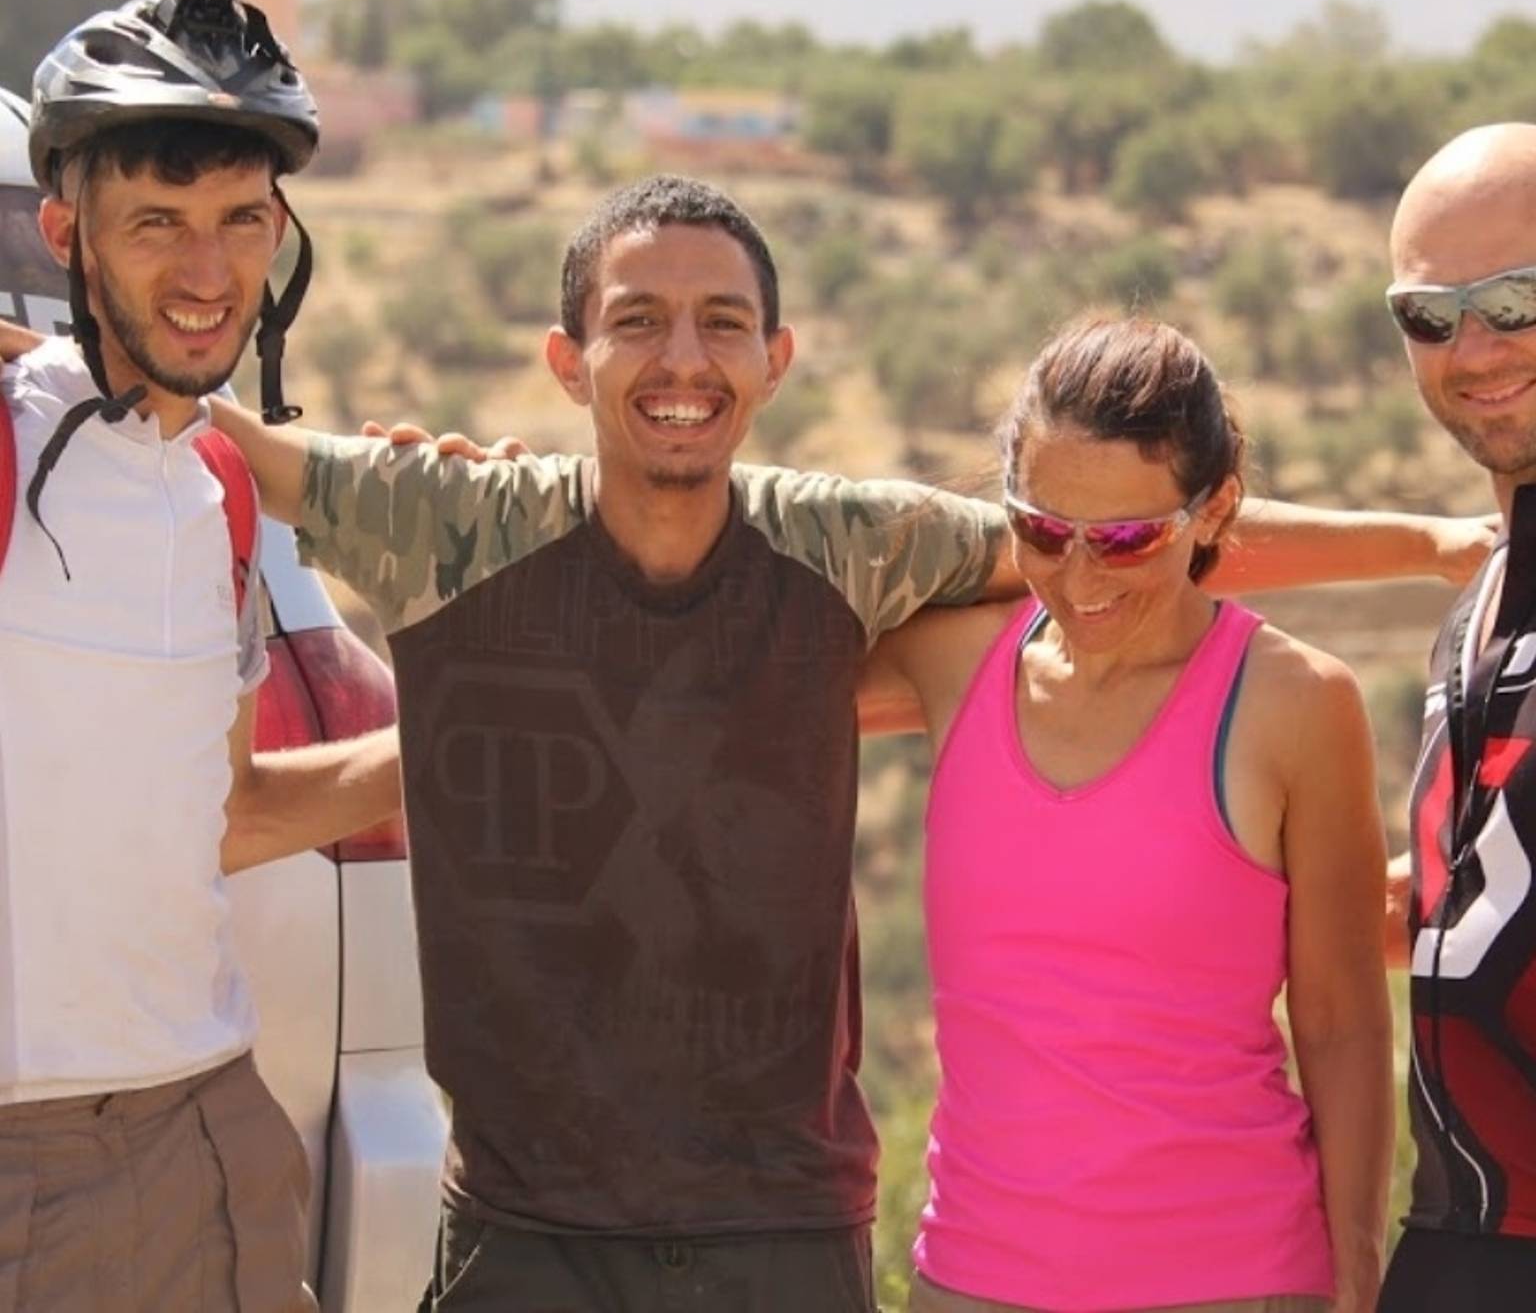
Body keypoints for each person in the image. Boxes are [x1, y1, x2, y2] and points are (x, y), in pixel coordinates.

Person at [192, 174, 1484, 1313]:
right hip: (539, 1237)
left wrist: (1425, 545)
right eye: (636, 320)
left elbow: (1147, 534)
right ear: (567, 358)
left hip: (793, 1235)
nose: (682, 359)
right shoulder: (458, 524)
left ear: (777, 359)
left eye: (722, 323)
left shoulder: (845, 546)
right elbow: (208, 430)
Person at [859, 315, 1393, 1313]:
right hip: (971, 1279)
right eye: (1042, 529)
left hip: (1234, 1281)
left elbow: (1342, 1021)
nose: (1079, 578)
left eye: (1127, 539)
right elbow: (725, 659)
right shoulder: (954, 660)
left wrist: (1359, 1279)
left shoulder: (1296, 703)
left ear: (1215, 509)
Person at [0, 0, 401, 1313]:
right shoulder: (11, 442)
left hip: (216, 1130)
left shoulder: (221, 486)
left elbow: (220, 813)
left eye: (239, 220)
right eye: (157, 223)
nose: (207, 274)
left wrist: (449, 746)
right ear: (67, 234)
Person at [1376, 123, 1536, 1312]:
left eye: (1516, 299)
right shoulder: (1478, 604)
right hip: (1461, 1241)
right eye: (1430, 315)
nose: (1473, 348)